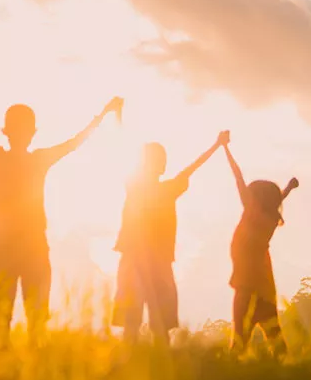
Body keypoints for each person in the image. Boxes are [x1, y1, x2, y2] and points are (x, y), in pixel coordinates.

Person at [0, 71, 123, 343]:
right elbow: (74, 142)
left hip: (12, 240)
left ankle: (7, 368)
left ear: (7, 131)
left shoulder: (0, 156)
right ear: (31, 132)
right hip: (26, 241)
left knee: (8, 312)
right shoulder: (35, 159)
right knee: (30, 312)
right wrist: (102, 114)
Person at [112, 131, 229, 343]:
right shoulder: (143, 187)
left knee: (155, 323)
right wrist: (216, 145)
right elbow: (191, 169)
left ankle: (148, 363)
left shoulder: (146, 187)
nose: (159, 164)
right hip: (143, 260)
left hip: (151, 261)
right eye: (156, 160)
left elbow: (191, 169)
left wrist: (215, 146)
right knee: (143, 322)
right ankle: (138, 363)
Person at [222, 138, 299, 351]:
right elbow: (277, 200)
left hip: (247, 283)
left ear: (255, 199)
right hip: (263, 282)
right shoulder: (270, 217)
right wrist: (288, 189)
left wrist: (225, 147)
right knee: (275, 337)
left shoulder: (252, 213)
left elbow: (238, 177)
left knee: (239, 339)